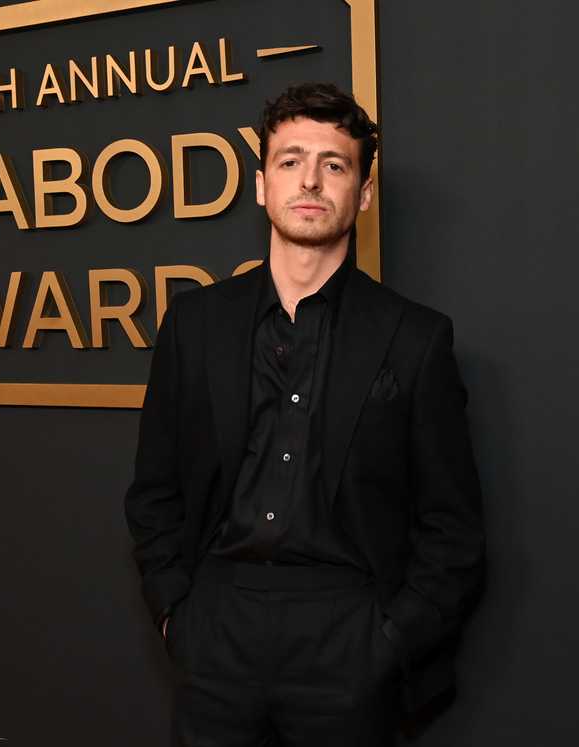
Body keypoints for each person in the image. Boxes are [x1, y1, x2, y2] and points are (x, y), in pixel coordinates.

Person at [125, 82, 485, 746]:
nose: (311, 180)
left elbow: (453, 528)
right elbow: (154, 490)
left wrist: (389, 640)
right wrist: (177, 610)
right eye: (290, 160)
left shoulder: (414, 338)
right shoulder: (194, 325)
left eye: (335, 163)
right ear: (261, 184)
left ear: (364, 193)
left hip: (347, 631)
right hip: (218, 624)